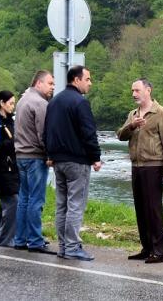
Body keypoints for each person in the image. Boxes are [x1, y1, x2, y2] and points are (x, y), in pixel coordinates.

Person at [44, 65, 102, 261]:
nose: (90, 83)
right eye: (87, 79)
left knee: (62, 205)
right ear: (76, 80)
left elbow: (47, 132)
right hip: (77, 162)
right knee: (76, 204)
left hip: (58, 161)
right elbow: (88, 132)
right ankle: (72, 247)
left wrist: (50, 154)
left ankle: (62, 247)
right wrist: (95, 157)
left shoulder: (54, 102)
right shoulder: (80, 102)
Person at [116, 78, 163, 264]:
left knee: (153, 209)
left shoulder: (161, 113)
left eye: (137, 90)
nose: (134, 94)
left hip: (153, 166)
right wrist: (132, 125)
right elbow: (120, 136)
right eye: (132, 91)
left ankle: (159, 251)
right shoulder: (132, 114)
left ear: (148, 90)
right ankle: (146, 248)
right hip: (136, 166)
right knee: (140, 209)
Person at [13, 70, 56, 254]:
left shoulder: (23, 99)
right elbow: (42, 134)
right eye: (50, 83)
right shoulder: (40, 103)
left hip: (20, 155)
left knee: (24, 199)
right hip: (34, 157)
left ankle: (20, 239)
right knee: (36, 200)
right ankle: (35, 241)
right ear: (39, 83)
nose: (52, 87)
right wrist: (50, 155)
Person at [0, 90, 20, 247]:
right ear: (2, 103)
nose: (12, 106)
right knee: (12, 202)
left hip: (12, 167)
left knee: (6, 203)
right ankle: (6, 240)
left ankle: (0, 238)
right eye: (10, 103)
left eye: (14, 103)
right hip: (1, 167)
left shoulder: (11, 121)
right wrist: (14, 142)